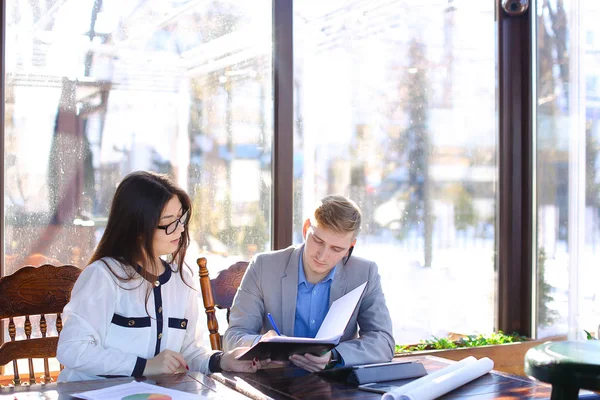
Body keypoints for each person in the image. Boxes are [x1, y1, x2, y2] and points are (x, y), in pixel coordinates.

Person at [57, 171, 269, 381]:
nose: (180, 229)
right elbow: (72, 349)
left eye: (180, 218)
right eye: (169, 222)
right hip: (90, 394)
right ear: (138, 229)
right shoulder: (103, 276)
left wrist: (222, 360)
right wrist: (146, 366)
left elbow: (189, 353)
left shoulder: (182, 278)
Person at [223, 195, 394, 372]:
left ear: (350, 247)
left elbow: (383, 341)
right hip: (273, 381)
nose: (322, 255)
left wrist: (335, 356)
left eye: (336, 249)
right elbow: (233, 337)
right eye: (318, 241)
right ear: (306, 229)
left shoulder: (365, 273)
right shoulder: (263, 266)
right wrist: (265, 346)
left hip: (336, 385)